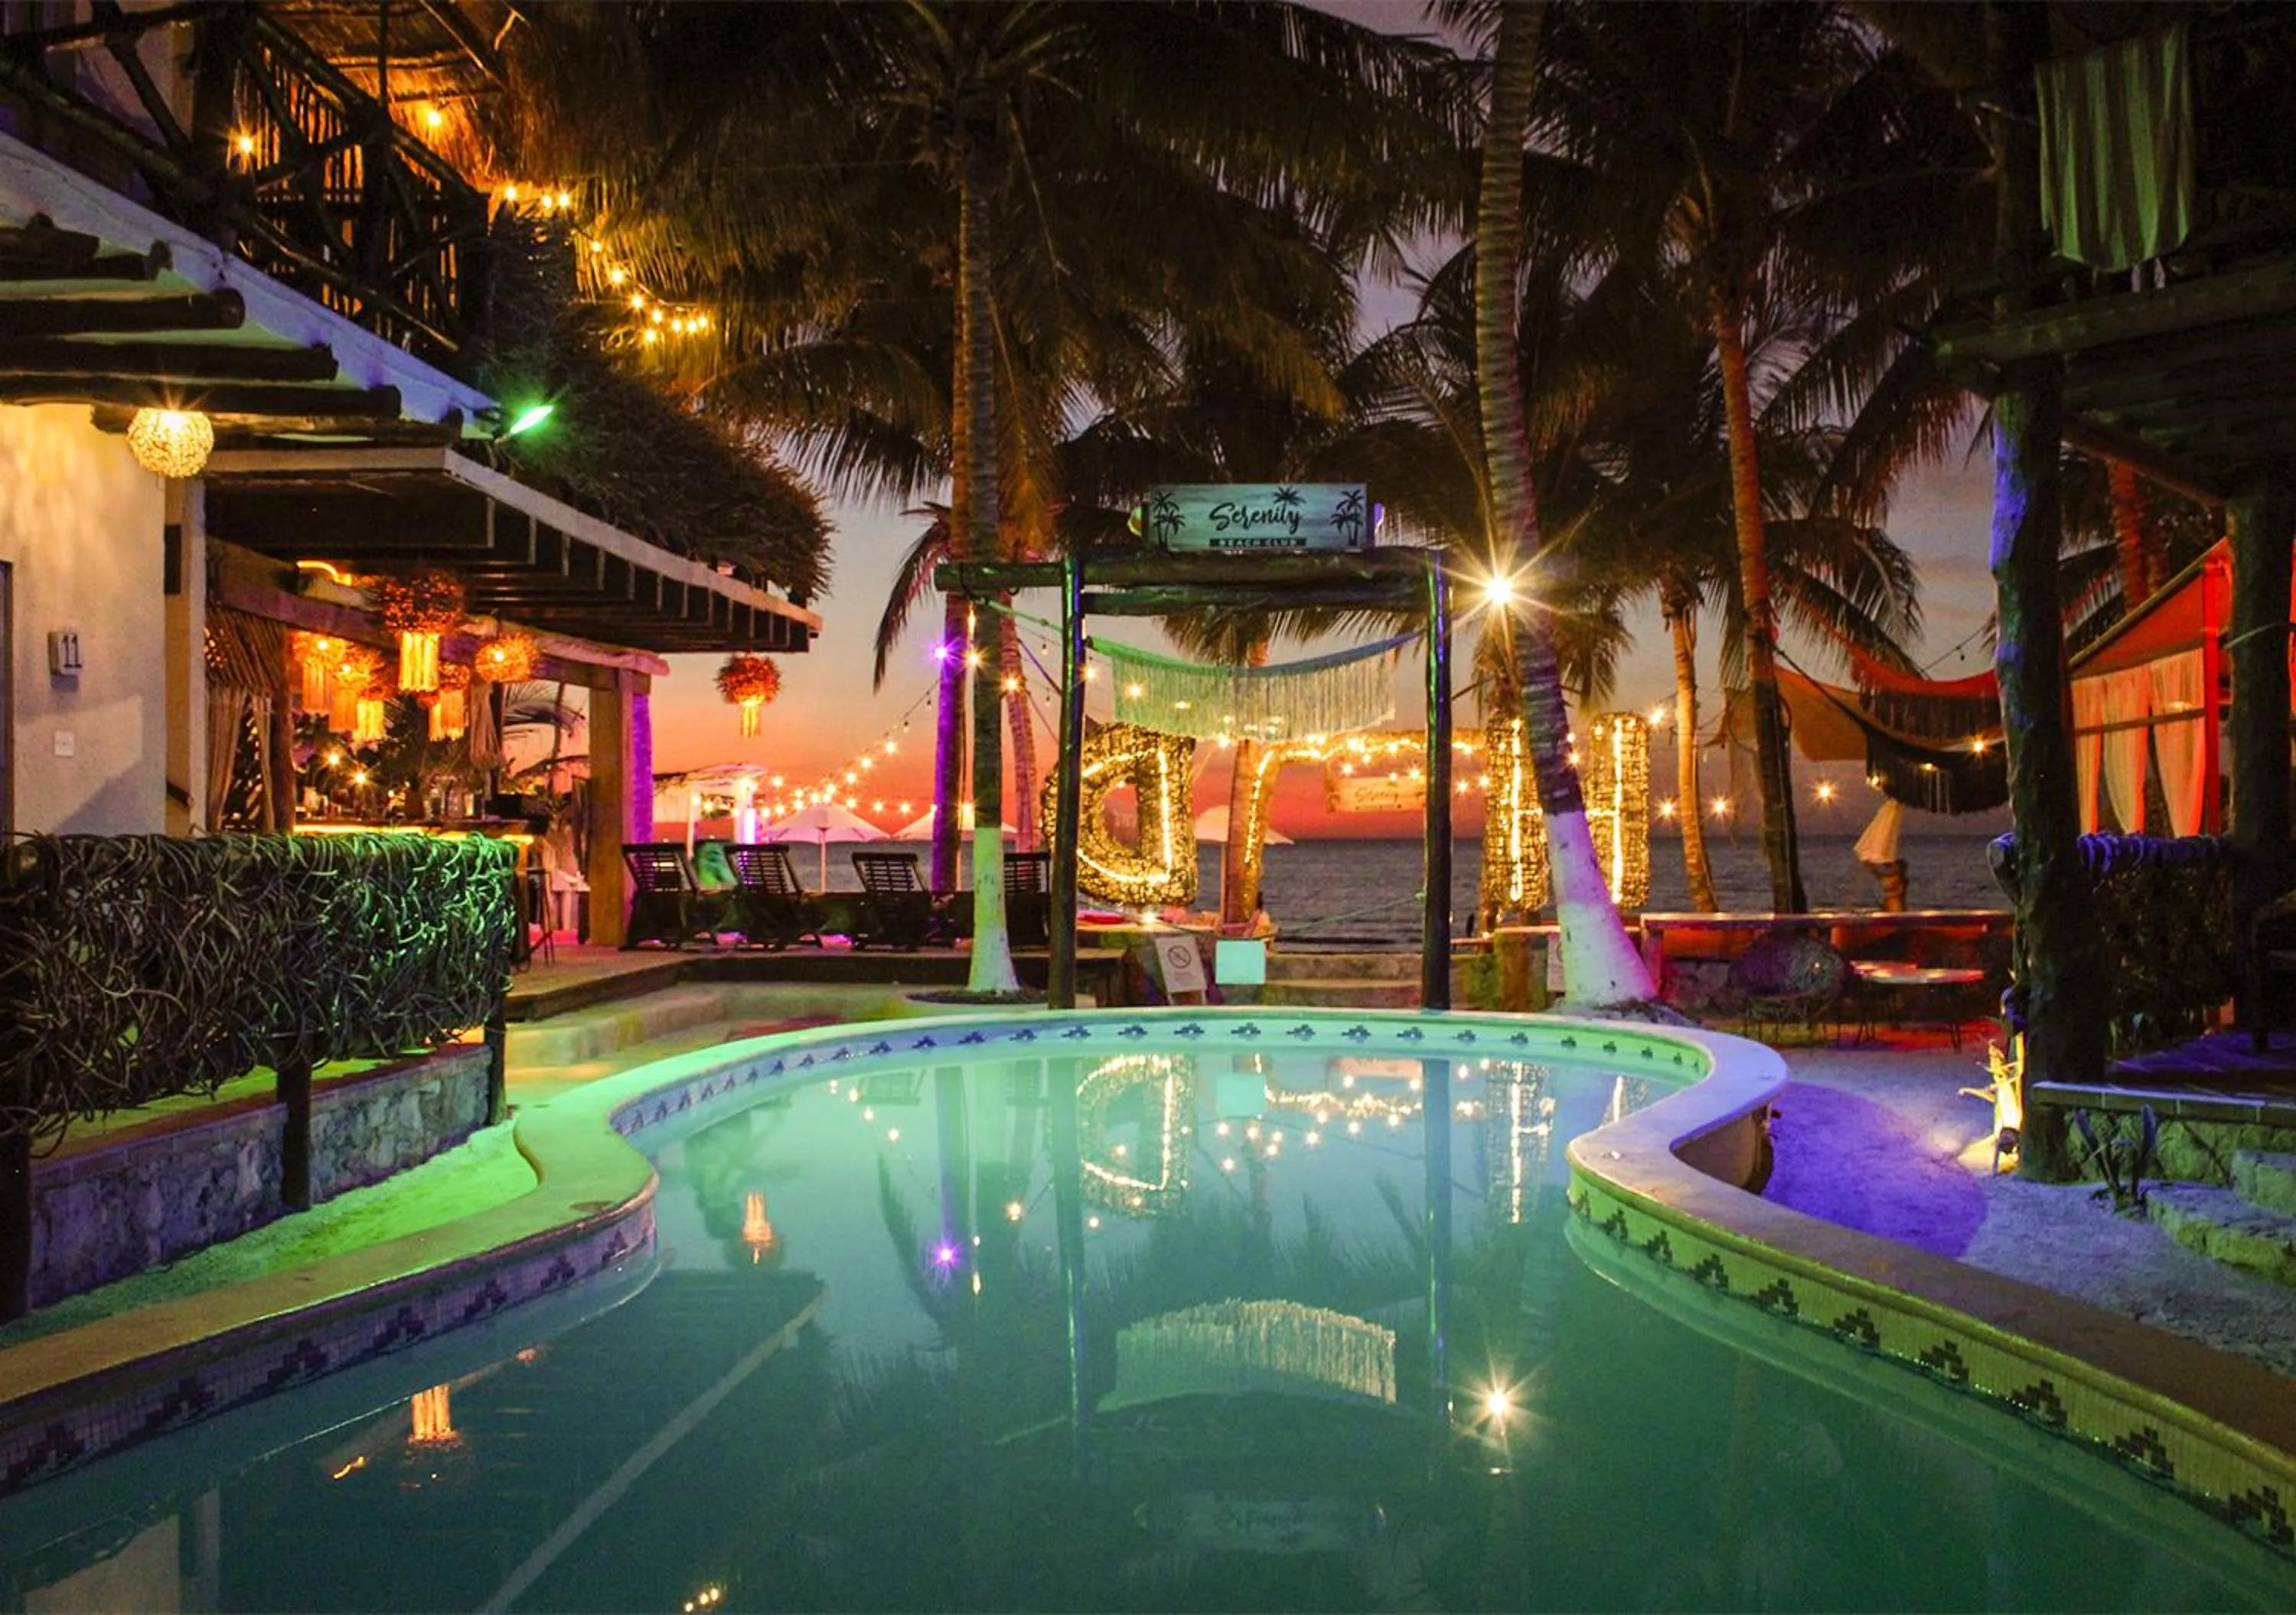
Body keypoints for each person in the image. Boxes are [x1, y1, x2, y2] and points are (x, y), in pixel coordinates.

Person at [1855, 797, 1910, 912]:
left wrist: (1870, 864)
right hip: (1891, 907)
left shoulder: (1897, 880)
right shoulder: (1893, 878)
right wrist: (1869, 865)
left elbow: (1882, 877)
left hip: (1895, 908)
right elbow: (1879, 874)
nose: (1891, 865)